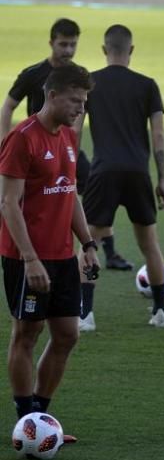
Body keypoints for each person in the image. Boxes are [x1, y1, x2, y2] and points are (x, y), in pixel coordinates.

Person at [1, 64, 99, 431]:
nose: (80, 108)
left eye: (84, 102)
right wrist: (30, 259)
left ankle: (40, 414)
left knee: (67, 334)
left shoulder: (70, 137)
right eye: (75, 101)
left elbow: (69, 192)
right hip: (27, 257)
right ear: (52, 95)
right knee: (27, 334)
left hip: (62, 255)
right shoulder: (22, 138)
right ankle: (27, 420)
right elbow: (8, 204)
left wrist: (87, 243)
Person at [1, 17, 132, 271]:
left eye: (73, 45)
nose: (68, 51)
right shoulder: (33, 74)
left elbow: (80, 119)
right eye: (63, 44)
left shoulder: (77, 76)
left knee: (88, 192)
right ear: (52, 43)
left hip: (64, 145)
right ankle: (22, 251)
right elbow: (8, 106)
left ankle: (105, 249)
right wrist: (4, 141)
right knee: (20, 197)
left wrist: (72, 141)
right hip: (33, 148)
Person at [78, 24, 164, 332]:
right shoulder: (147, 85)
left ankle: (86, 314)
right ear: (131, 50)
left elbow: (74, 131)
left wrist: (68, 170)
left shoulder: (89, 83)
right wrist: (163, 179)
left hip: (102, 172)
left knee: (89, 244)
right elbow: (158, 137)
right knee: (150, 245)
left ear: (105, 50)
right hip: (138, 172)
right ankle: (160, 313)